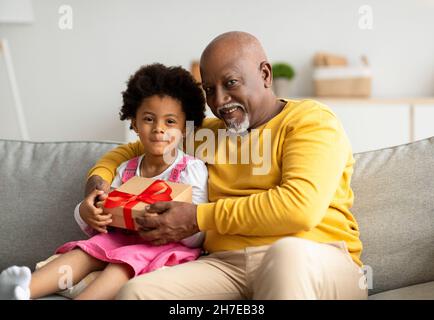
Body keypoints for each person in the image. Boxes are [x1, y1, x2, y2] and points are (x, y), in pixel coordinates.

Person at [0, 63, 208, 300]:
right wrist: (89, 212)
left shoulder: (190, 169)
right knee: (84, 252)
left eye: (170, 122)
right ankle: (23, 290)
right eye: (149, 119)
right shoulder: (126, 168)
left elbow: (197, 232)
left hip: (164, 246)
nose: (159, 129)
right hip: (120, 239)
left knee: (121, 265)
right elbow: (104, 210)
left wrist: (167, 223)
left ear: (185, 128)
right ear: (134, 123)